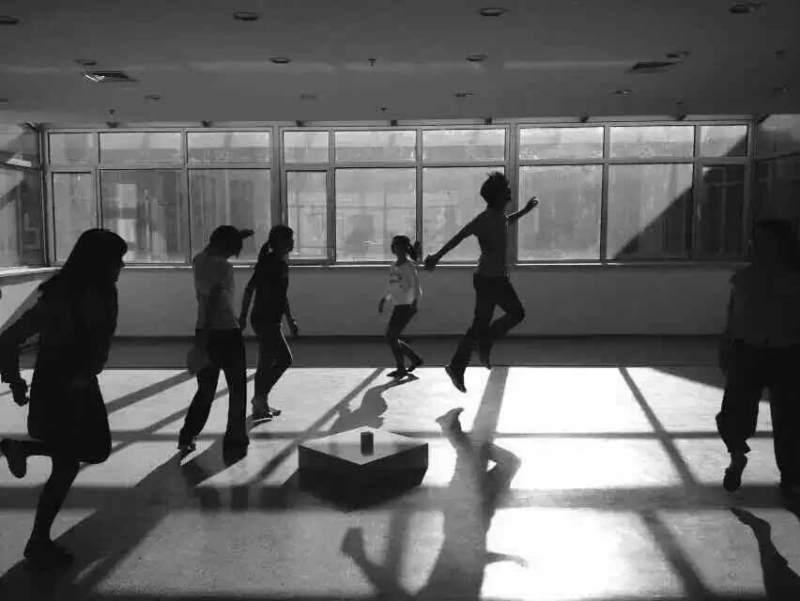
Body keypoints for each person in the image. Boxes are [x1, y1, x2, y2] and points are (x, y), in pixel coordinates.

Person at [0, 228, 127, 568]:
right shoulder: (74, 295)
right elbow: (8, 338)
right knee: (75, 459)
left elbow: (10, 338)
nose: (121, 266)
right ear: (99, 262)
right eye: (117, 259)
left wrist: (16, 381)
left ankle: (22, 451)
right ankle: (38, 540)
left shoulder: (75, 292)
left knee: (85, 453)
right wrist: (14, 381)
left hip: (69, 382)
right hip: (67, 385)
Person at [424, 172, 538, 392]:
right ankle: (482, 344)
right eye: (506, 191)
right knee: (515, 313)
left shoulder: (499, 216)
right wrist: (437, 256)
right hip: (489, 280)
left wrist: (524, 211)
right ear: (497, 196)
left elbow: (506, 221)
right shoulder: (484, 220)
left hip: (492, 279)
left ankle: (457, 365)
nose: (510, 193)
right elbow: (459, 236)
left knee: (481, 324)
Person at [716, 219, 800, 499]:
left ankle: (791, 476)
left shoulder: (794, 281)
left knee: (789, 417)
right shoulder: (743, 279)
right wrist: (726, 347)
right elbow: (733, 317)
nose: (760, 246)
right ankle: (737, 456)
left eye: (767, 240)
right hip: (747, 350)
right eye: (757, 240)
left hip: (786, 352)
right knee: (735, 410)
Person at [178, 225, 253, 453]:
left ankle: (187, 434)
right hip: (226, 332)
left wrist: (202, 337)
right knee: (237, 387)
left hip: (204, 329)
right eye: (231, 250)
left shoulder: (198, 260)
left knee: (206, 388)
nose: (231, 255)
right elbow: (214, 298)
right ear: (224, 246)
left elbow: (210, 252)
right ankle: (235, 436)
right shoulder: (223, 267)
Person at [239, 225, 298, 421]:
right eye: (289, 239)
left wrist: (289, 319)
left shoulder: (280, 263)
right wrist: (242, 316)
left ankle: (260, 400)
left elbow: (282, 295)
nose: (293, 242)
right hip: (264, 319)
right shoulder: (270, 263)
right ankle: (259, 400)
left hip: (271, 319)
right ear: (280, 242)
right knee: (277, 360)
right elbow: (249, 289)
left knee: (274, 360)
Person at [378, 235, 423, 379]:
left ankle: (401, 368)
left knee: (391, 336)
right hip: (398, 305)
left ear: (405, 249)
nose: (397, 249)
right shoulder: (393, 266)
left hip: (406, 305)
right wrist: (384, 299)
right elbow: (392, 286)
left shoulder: (409, 267)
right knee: (391, 337)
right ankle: (414, 359)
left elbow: (416, 286)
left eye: (400, 246)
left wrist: (414, 303)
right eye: (395, 246)